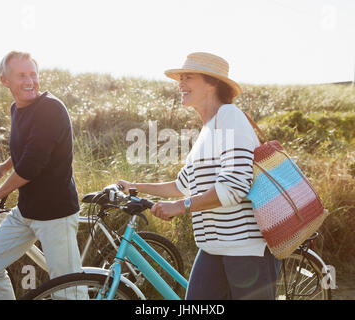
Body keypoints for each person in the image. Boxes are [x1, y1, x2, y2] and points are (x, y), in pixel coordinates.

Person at [118, 52, 281, 300]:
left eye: (188, 77)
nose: (180, 84)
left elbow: (234, 187)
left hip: (245, 249)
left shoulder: (230, 117)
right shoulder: (207, 130)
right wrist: (133, 186)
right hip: (212, 248)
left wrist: (181, 207)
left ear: (212, 83)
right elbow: (182, 185)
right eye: (180, 78)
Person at [0, 51, 83, 299]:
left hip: (56, 214)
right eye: (21, 75)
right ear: (5, 80)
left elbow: (32, 164)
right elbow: (28, 147)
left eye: (33, 74)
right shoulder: (17, 108)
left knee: (68, 293)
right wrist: (5, 165)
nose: (30, 81)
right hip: (27, 211)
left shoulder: (50, 109)